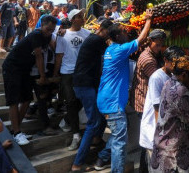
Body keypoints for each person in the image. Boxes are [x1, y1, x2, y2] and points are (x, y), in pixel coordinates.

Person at [95, 9, 153, 172]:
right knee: (120, 143)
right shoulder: (119, 51)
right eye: (124, 32)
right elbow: (140, 40)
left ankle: (102, 157)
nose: (127, 34)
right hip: (113, 103)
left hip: (107, 99)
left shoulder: (111, 50)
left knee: (118, 135)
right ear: (118, 37)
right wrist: (148, 20)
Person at [1, 15, 57, 145]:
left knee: (26, 99)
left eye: (52, 30)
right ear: (41, 25)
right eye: (48, 29)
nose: (50, 32)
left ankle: (17, 130)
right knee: (13, 100)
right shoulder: (36, 35)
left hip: (25, 69)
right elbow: (38, 56)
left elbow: (53, 48)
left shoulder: (47, 36)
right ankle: (16, 132)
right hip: (12, 67)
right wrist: (43, 76)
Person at [149, 56, 189, 173]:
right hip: (173, 157)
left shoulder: (169, 83)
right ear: (184, 75)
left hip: (162, 147)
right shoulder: (182, 92)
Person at [70, 19, 114, 172]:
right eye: (109, 33)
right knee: (93, 122)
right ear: (102, 29)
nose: (109, 36)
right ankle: (77, 163)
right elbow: (113, 50)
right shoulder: (97, 40)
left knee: (101, 115)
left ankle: (96, 139)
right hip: (84, 84)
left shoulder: (94, 39)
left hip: (86, 84)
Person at [139, 46, 184, 171]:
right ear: (165, 60)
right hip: (155, 130)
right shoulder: (157, 78)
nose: (175, 66)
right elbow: (157, 109)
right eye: (173, 63)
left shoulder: (174, 76)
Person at [53, 9, 91, 150]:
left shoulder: (88, 34)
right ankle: (76, 135)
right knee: (70, 102)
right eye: (79, 16)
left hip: (82, 73)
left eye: (82, 16)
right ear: (72, 19)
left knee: (80, 101)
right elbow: (59, 55)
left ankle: (67, 120)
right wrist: (56, 74)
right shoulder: (62, 35)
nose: (82, 18)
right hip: (67, 73)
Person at [130, 28, 166, 173]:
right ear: (150, 42)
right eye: (157, 45)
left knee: (148, 143)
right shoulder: (148, 59)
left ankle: (144, 169)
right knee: (149, 140)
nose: (160, 48)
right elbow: (157, 79)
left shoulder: (153, 54)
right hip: (144, 102)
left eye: (161, 45)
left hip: (147, 101)